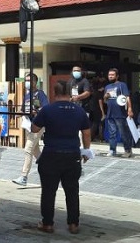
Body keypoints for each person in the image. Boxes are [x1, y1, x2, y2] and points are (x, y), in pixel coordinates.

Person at [31, 80, 91, 235]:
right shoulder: (79, 111)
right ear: (70, 93)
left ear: (55, 93)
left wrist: (37, 117)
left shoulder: (47, 110)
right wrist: (86, 151)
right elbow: (86, 132)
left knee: (49, 191)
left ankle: (48, 224)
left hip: (51, 154)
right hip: (72, 155)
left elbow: (34, 128)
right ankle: (73, 224)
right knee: (72, 191)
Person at [12, 73, 50, 186]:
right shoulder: (26, 96)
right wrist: (18, 113)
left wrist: (36, 112)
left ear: (35, 82)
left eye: (29, 80)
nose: (27, 83)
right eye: (26, 80)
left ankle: (24, 177)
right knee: (35, 151)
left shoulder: (40, 94)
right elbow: (22, 109)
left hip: (38, 126)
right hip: (29, 125)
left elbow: (45, 108)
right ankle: (50, 171)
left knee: (28, 149)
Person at [99, 68, 134, 157]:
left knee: (123, 133)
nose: (110, 76)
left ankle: (128, 150)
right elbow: (105, 101)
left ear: (117, 76)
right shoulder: (107, 87)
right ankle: (112, 150)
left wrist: (129, 109)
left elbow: (127, 97)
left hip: (120, 113)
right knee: (112, 133)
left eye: (112, 75)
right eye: (109, 75)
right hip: (110, 113)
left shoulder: (122, 85)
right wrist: (105, 97)